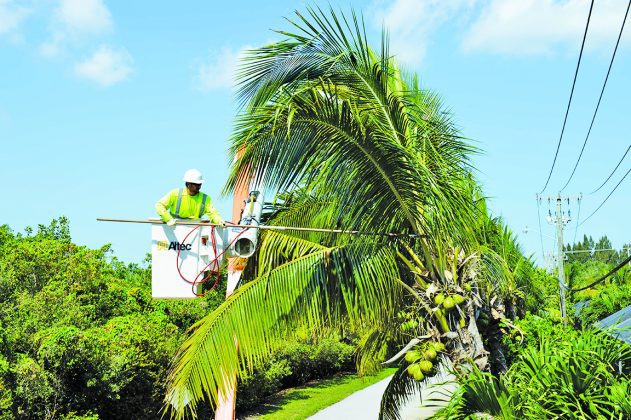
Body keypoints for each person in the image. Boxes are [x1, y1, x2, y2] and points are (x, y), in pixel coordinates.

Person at [155, 169, 225, 227]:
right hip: (174, 228)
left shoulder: (205, 198)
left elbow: (213, 213)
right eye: (196, 184)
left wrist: (219, 221)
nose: (199, 186)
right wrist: (168, 219)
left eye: (200, 184)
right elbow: (159, 205)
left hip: (194, 231)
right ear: (188, 184)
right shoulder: (175, 194)